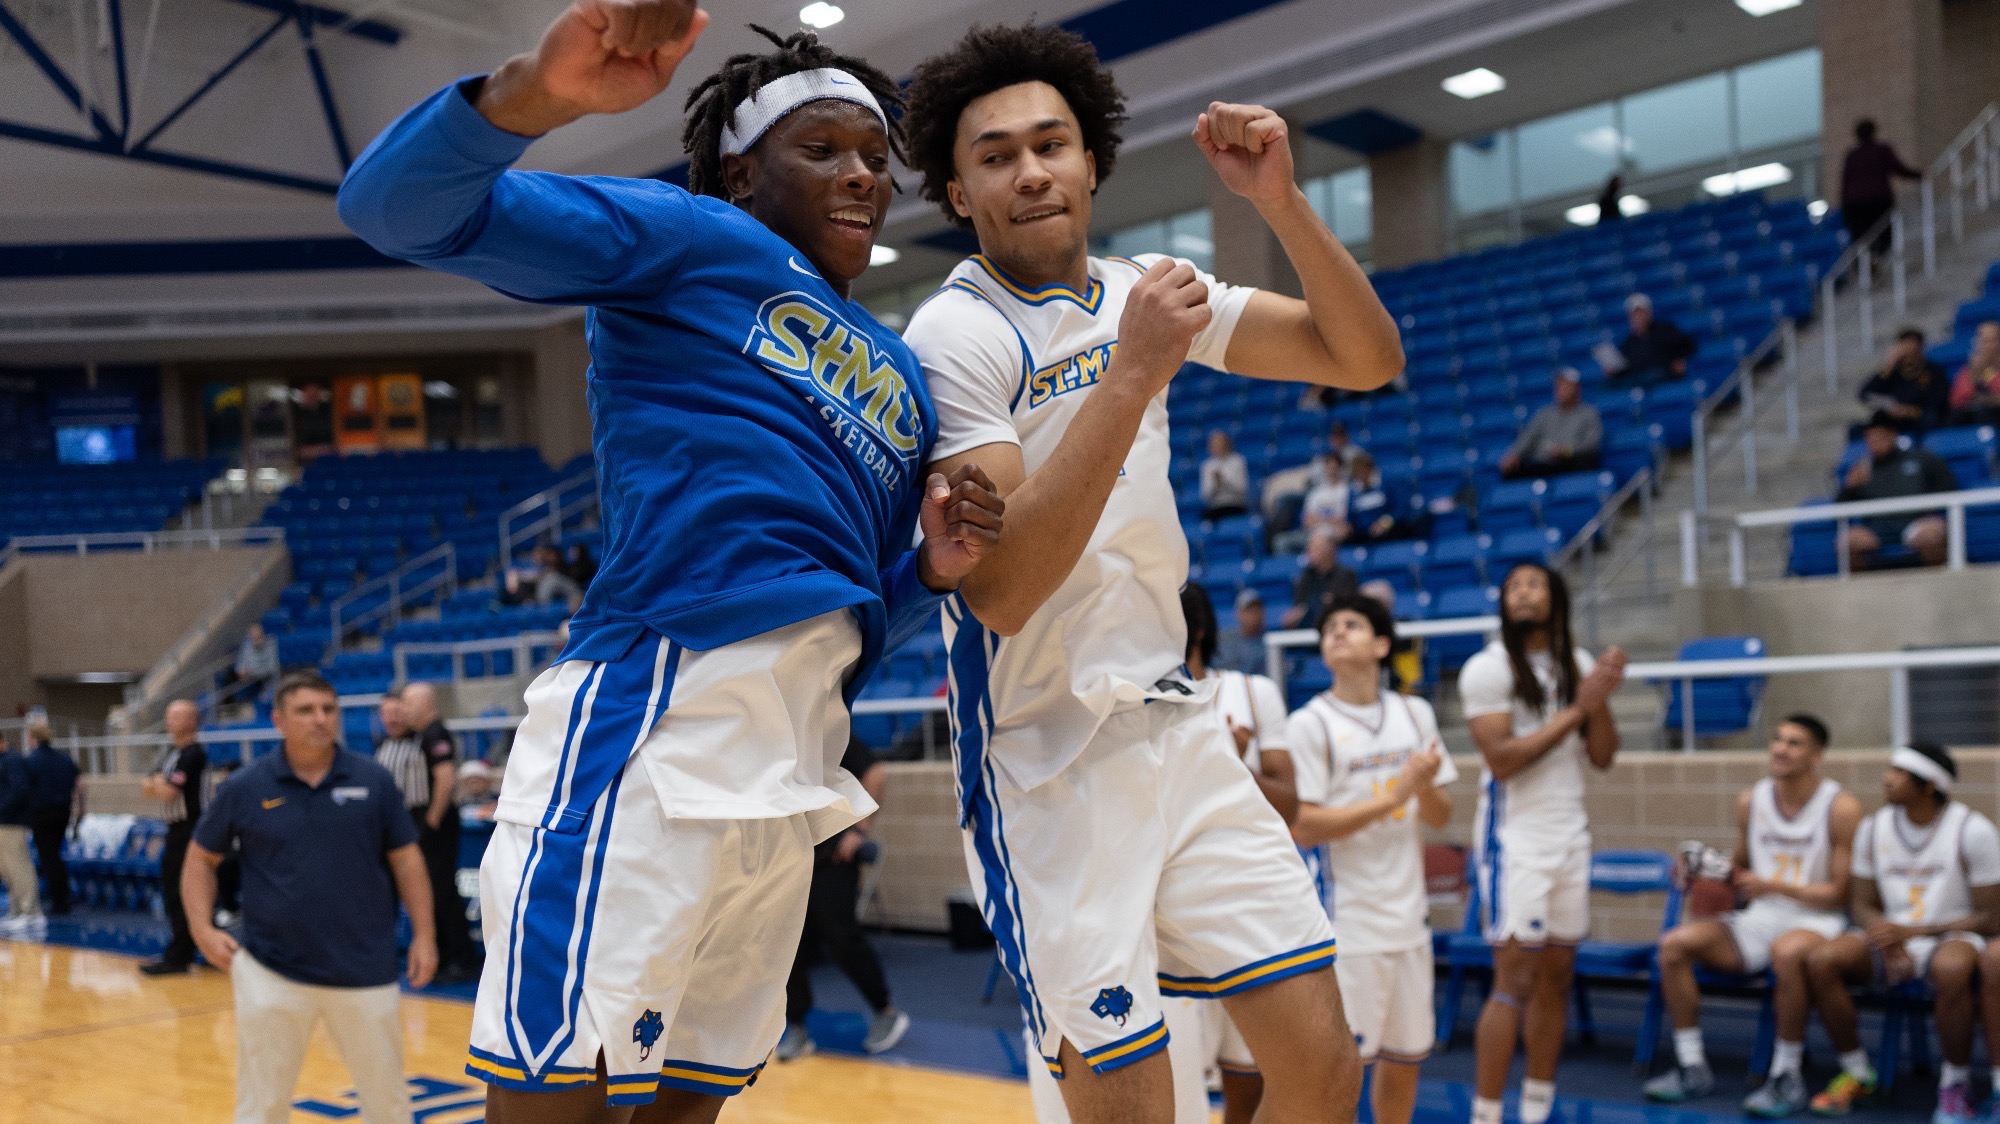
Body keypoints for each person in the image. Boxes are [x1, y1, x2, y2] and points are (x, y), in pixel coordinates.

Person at [339, 4, 1004, 1112]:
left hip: (793, 771)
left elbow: (852, 620)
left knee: (691, 1099)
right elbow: (393, 208)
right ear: (740, 174)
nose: (861, 177)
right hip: (656, 722)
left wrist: (924, 573)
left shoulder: (900, 375)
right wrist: (534, 95)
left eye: (876, 159)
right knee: (556, 1091)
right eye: (823, 148)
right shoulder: (695, 239)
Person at [903, 20, 1405, 1121]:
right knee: (1134, 1106)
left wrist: (1278, 199)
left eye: (1052, 143)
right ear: (955, 190)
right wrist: (1130, 373)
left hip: (1176, 726)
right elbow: (1000, 586)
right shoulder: (954, 335)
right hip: (1045, 757)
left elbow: (1365, 358)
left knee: (1320, 1067)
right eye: (996, 155)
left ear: (1090, 161)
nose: (1031, 170)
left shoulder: (1141, 284)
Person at [184, 670, 438, 1124]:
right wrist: (201, 928)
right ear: (279, 720)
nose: (320, 720)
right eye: (306, 710)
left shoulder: (374, 780)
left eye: (328, 709)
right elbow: (201, 858)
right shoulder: (245, 786)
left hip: (365, 969)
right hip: (272, 971)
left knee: (388, 1106)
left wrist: (424, 936)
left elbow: (407, 861)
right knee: (261, 1107)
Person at [1463, 563, 1627, 1124]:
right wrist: (1580, 706)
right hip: (1515, 840)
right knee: (1513, 980)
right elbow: (1503, 761)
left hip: (1569, 834)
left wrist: (1598, 696)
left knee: (1557, 980)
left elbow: (1603, 757)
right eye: (1513, 587)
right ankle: (1485, 1114)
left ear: (1556, 598)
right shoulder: (1486, 668)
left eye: (1534, 584)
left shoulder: (1576, 664)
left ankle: (1537, 1110)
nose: (1523, 593)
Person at [1289, 595, 1455, 1124]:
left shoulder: (1415, 712)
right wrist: (1394, 796)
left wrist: (1421, 788)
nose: (1336, 632)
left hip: (1409, 919)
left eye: (1351, 624)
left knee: (1406, 1059)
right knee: (1341, 1071)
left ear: (1382, 645)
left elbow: (1442, 814)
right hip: (1348, 923)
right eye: (1329, 627)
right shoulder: (1310, 723)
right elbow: (1306, 825)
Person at [1640, 715, 1861, 1112]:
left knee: (1789, 953)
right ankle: (1692, 1066)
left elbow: (1838, 895)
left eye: (1794, 743)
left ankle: (1786, 1074)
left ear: (1817, 756)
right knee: (1673, 945)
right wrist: (1703, 871)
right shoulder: (1751, 799)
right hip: (1761, 916)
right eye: (1777, 739)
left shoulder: (1841, 806)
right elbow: (1738, 868)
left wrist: (1775, 887)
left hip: (1816, 920)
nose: (1780, 748)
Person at [1796, 742, 2000, 1119]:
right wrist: (1885, 936)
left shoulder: (1973, 830)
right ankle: (1857, 1073)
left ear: (1929, 787)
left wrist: (1917, 930)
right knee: (1822, 959)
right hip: (1890, 936)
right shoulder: (1873, 828)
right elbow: (1860, 903)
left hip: (1949, 934)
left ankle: (1955, 1083)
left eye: (1900, 774)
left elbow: (1991, 916)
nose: (1887, 779)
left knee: (1954, 969)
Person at [775, 735, 909, 1062]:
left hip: (832, 858)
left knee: (842, 938)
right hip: (790, 857)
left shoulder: (823, 729)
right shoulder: (771, 738)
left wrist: (859, 829)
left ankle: (886, 1011)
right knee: (786, 946)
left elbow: (876, 773)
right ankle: (796, 1027)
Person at [395, 683, 478, 984]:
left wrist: (430, 823)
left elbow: (445, 780)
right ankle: (444, 957)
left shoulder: (436, 734)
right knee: (432, 892)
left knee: (443, 893)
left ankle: (462, 960)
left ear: (425, 703)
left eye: (408, 703)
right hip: (431, 824)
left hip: (438, 825)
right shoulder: (422, 735)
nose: (403, 709)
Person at [1837, 411, 1959, 570]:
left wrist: (1930, 506)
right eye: (1870, 439)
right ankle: (1862, 592)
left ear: (1893, 435)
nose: (1874, 443)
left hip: (1915, 523)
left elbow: (1948, 485)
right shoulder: (1862, 470)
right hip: (1876, 529)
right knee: (1848, 542)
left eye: (1878, 437)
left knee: (1931, 536)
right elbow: (1839, 510)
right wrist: (1849, 487)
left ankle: (1936, 588)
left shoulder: (1920, 458)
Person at [140, 699, 208, 974]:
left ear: (191, 721)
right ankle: (185, 949)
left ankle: (181, 955)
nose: (168, 722)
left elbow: (167, 793)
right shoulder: (170, 752)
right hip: (173, 827)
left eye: (176, 717)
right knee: (173, 890)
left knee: (185, 891)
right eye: (168, 716)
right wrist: (159, 783)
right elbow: (147, 787)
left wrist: (159, 783)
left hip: (191, 828)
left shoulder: (193, 754)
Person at [1499, 368, 1603, 479]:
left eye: (1565, 386)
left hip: (1572, 462)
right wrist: (1514, 454)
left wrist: (1567, 451)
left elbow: (1591, 444)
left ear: (1576, 389)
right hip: (1546, 463)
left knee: (1587, 460)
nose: (1560, 390)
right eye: (1558, 386)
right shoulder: (1544, 413)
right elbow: (1528, 436)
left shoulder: (1589, 413)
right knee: (1511, 471)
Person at [1840, 119, 1921, 256]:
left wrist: (1846, 209)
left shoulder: (1852, 156)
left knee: (1865, 238)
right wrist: (1920, 175)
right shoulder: (1881, 150)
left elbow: (1844, 184)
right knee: (1883, 234)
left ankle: (1872, 260)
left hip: (1856, 205)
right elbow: (1899, 169)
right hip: (1877, 201)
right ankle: (1875, 258)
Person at [25, 721, 82, 917]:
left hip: (41, 814)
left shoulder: (32, 760)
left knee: (49, 858)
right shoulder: (64, 759)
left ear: (32, 738)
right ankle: (62, 895)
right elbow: (80, 786)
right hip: (62, 811)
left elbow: (24, 788)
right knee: (55, 855)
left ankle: (60, 900)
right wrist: (81, 810)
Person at [1858, 328, 1951, 434]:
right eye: (1904, 348)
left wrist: (1911, 411)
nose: (1908, 353)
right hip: (1895, 417)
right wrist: (1888, 366)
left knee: (1931, 418)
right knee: (1860, 428)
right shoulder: (1892, 372)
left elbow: (1939, 401)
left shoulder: (1933, 371)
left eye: (1911, 347)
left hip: (1920, 417)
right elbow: (1865, 393)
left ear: (1920, 348)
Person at [0, 731, 40, 937]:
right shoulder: (5, 761)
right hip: (4, 822)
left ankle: (30, 911)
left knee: (18, 865)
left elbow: (19, 790)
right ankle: (17, 909)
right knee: (6, 869)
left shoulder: (14, 760)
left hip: (12, 822)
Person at [1284, 525, 1362, 631]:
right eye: (1309, 547)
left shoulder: (1346, 575)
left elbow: (1343, 606)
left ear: (1330, 550)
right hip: (1306, 632)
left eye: (1315, 548)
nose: (1309, 552)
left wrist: (1313, 606)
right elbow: (1298, 610)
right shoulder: (1304, 578)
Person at [1611, 294, 1697, 386]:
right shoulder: (1628, 343)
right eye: (1634, 314)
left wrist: (1679, 359)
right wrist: (1614, 371)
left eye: (1641, 313)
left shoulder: (1666, 330)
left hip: (1664, 375)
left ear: (1649, 313)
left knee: (1651, 376)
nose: (1638, 317)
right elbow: (1627, 368)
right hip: (1639, 379)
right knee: (1610, 384)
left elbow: (1688, 346)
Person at [1343, 452, 1422, 544]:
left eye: (1362, 470)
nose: (1360, 475)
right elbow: (1350, 517)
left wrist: (1384, 523)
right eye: (1356, 472)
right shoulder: (1353, 491)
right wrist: (1348, 526)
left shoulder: (1386, 484)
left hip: (1389, 529)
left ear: (1370, 469)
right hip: (1364, 533)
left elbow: (1400, 509)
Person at [1948, 320, 2000, 427]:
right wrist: (1975, 375)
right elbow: (1957, 401)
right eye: (1982, 340)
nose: (1986, 345)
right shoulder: (1968, 370)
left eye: (1991, 340)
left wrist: (1987, 399)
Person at [1214, 588, 1270, 675]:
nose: (1254, 614)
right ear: (1239, 613)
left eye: (1258, 609)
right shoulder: (1225, 641)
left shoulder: (1271, 641)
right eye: (1249, 610)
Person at [1200, 430, 1251, 520]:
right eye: (1214, 444)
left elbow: (1242, 489)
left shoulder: (1238, 461)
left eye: (1219, 443)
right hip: (1215, 507)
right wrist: (1216, 484)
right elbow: (1205, 495)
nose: (1217, 446)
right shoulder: (1207, 466)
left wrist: (1224, 480)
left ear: (1226, 444)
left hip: (1235, 505)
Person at [233, 623, 281, 700]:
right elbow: (240, 668)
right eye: (253, 638)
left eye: (259, 636)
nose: (257, 640)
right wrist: (242, 671)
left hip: (270, 683)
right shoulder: (247, 647)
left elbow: (271, 669)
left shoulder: (271, 644)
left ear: (263, 634)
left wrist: (251, 672)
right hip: (251, 682)